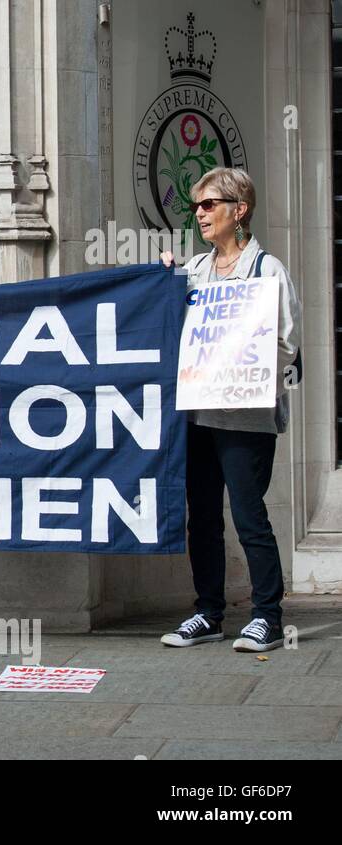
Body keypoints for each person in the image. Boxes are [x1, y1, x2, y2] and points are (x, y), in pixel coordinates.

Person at [159, 167, 302, 652]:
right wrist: (162, 282)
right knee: (201, 514)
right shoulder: (195, 271)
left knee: (247, 513)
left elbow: (286, 343)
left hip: (245, 418)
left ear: (238, 210)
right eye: (196, 205)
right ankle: (208, 612)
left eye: (209, 204)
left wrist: (241, 365)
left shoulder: (267, 271)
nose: (199, 213)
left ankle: (268, 616)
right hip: (199, 415)